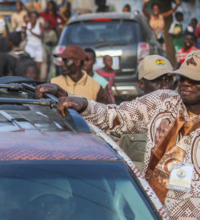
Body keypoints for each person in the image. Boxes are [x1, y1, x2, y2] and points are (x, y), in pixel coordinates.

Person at [36, 51, 200, 219]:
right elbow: (116, 116)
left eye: (194, 80)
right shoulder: (163, 101)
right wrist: (81, 104)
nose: (186, 84)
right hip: (150, 211)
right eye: (182, 78)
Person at [24, 11, 44, 80]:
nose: (33, 19)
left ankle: (37, 81)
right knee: (30, 66)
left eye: (34, 17)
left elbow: (42, 36)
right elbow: (25, 36)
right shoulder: (28, 24)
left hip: (38, 47)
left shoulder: (39, 24)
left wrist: (32, 32)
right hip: (29, 47)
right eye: (32, 17)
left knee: (38, 67)